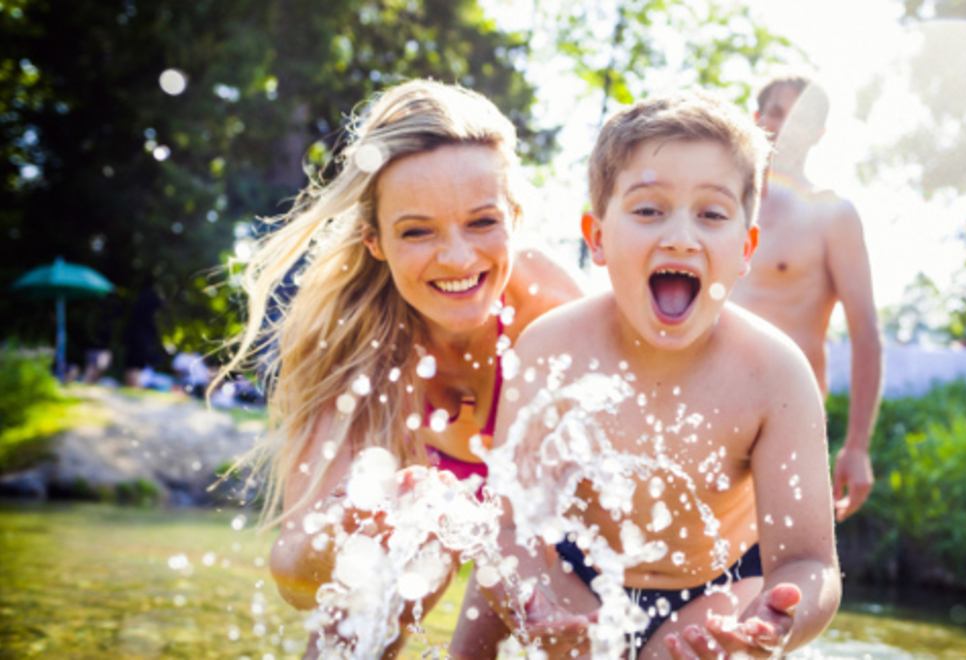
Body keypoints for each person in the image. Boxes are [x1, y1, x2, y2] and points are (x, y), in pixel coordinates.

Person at [219, 79, 583, 658]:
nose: (459, 258)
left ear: (515, 215)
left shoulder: (556, 311)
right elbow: (293, 571)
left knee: (553, 627)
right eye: (417, 231)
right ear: (375, 240)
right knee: (350, 629)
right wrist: (347, 531)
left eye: (483, 222)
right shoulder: (350, 342)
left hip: (538, 515)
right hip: (420, 512)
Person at [479, 91, 841, 659]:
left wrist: (775, 621)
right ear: (596, 237)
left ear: (745, 248)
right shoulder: (550, 349)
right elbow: (507, 528)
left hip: (722, 587)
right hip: (582, 576)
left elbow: (809, 562)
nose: (679, 236)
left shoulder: (773, 373)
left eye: (712, 214)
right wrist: (530, 601)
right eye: (648, 210)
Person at [730, 74, 883, 522]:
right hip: (706, 410)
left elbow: (866, 333)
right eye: (777, 113)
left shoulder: (831, 213)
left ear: (819, 133)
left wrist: (857, 446)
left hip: (787, 421)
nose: (786, 126)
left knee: (778, 579)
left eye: (802, 118)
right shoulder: (718, 208)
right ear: (756, 120)